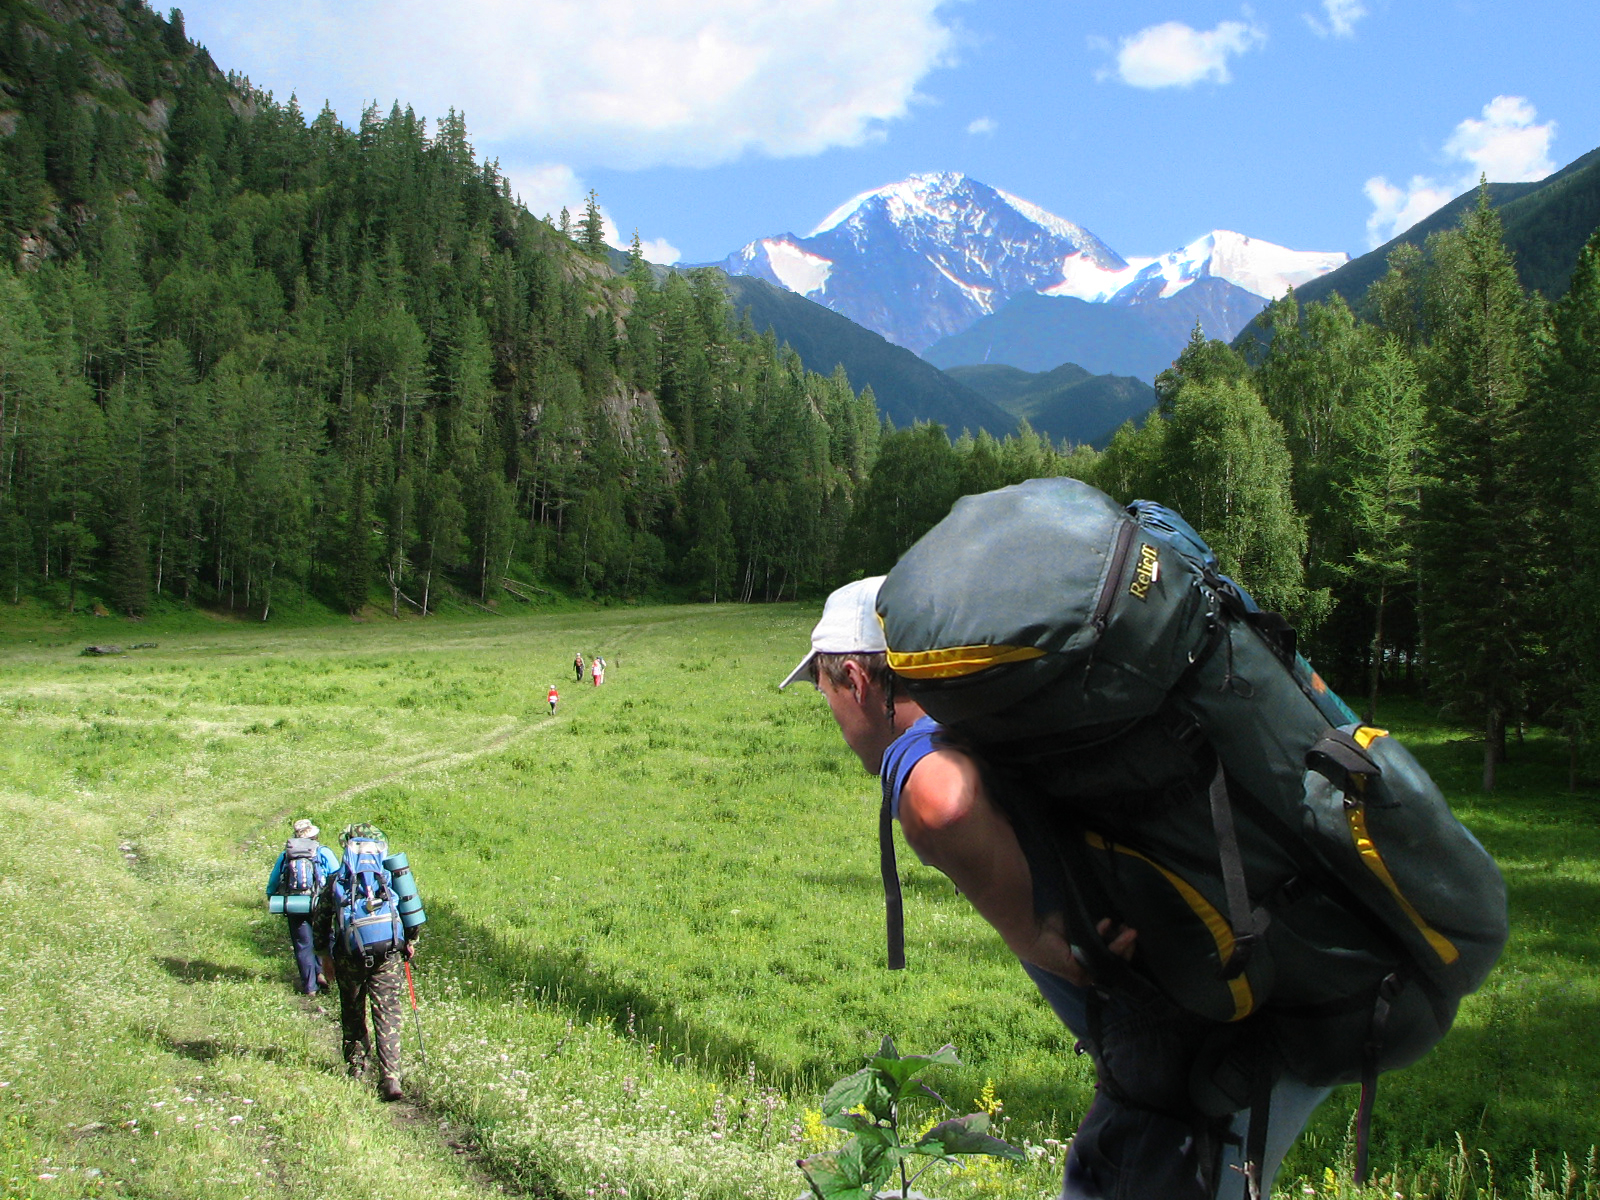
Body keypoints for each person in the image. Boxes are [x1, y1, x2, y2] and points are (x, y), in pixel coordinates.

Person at [781, 577, 1330, 1200]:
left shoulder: (918, 751)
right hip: (1239, 1000)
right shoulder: (994, 719)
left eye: (825, 692)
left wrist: (1032, 935)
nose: (834, 716)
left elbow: (945, 804)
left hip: (1198, 1060)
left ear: (856, 679)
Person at [314, 822, 419, 1102]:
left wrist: (324, 956)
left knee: (352, 1009)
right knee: (388, 1013)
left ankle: (357, 1068)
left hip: (349, 956)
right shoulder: (389, 875)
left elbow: (321, 920)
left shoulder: (338, 880)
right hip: (388, 955)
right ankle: (391, 1077)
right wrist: (409, 942)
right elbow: (410, 910)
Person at [264, 818, 339, 995]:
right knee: (325, 939)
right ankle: (324, 975)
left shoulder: (286, 855)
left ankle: (309, 986)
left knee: (303, 944)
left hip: (294, 904)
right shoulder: (323, 852)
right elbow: (336, 875)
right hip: (320, 904)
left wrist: (271, 896)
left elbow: (275, 879)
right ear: (315, 835)